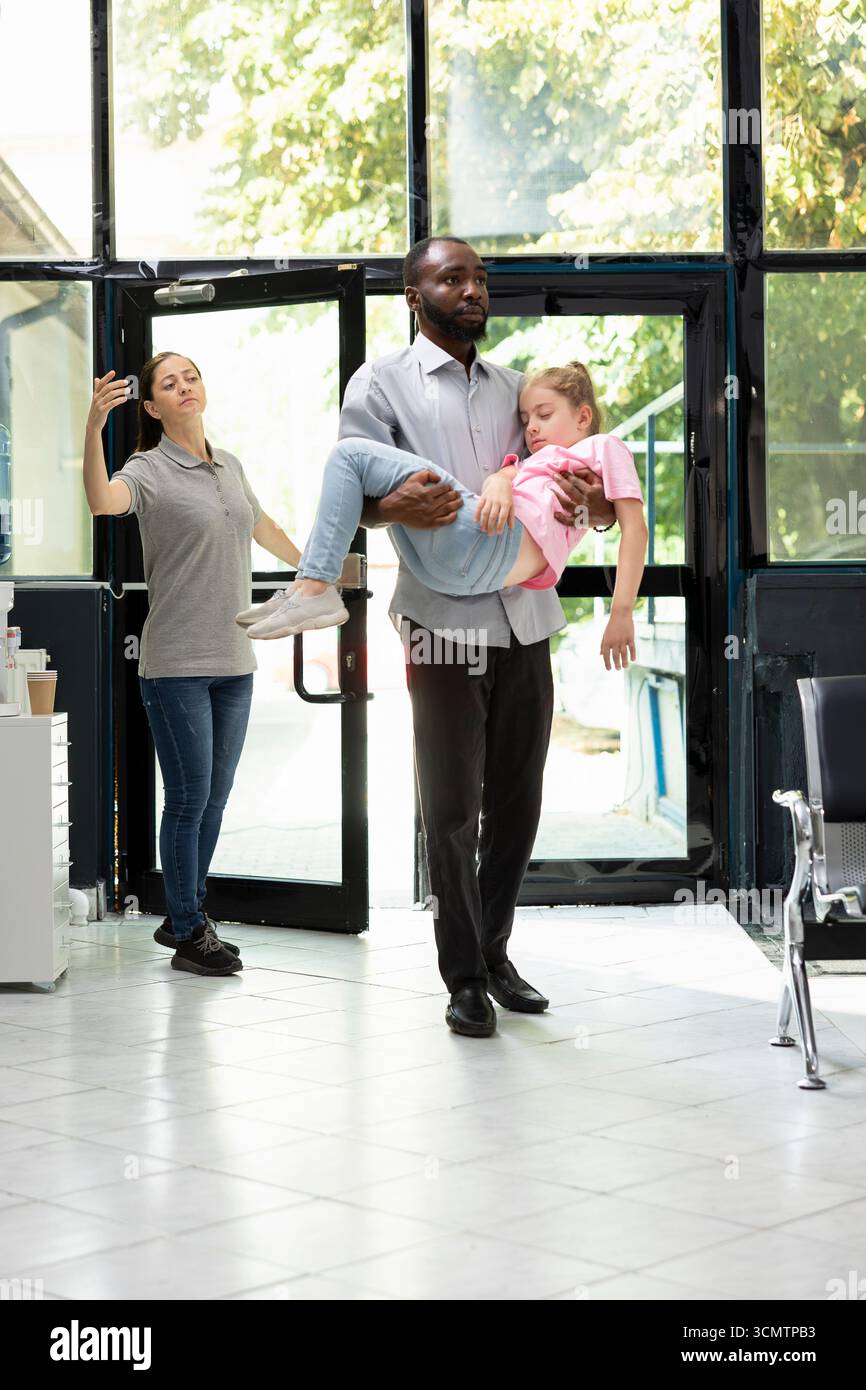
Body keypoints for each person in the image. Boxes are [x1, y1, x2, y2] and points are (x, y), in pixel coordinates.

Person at [241, 236, 618, 1038]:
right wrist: (393, 511)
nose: (472, 288)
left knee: (518, 802)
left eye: (479, 277)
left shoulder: (520, 387)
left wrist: (594, 501)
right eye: (453, 277)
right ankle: (464, 976)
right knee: (450, 806)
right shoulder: (379, 384)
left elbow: (583, 501)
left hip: (524, 618)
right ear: (415, 295)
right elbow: (359, 495)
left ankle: (498, 950)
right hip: (441, 620)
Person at [83, 353, 302, 976]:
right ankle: (187, 926)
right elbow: (102, 501)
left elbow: (260, 524)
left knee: (214, 800)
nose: (185, 387)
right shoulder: (147, 470)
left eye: (192, 377)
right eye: (170, 383)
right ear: (150, 407)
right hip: (175, 662)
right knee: (187, 798)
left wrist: (312, 567)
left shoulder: (229, 465)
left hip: (235, 658)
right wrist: (94, 424)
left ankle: (186, 916)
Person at [241, 365, 647, 676]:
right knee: (360, 471)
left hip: (492, 549)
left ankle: (313, 586)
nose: (532, 427)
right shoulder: (534, 460)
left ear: (583, 417)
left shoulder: (603, 447)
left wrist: (621, 612)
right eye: (525, 420)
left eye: (544, 414)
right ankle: (308, 587)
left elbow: (635, 528)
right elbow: (506, 477)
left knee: (350, 456)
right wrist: (500, 482)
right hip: (451, 578)